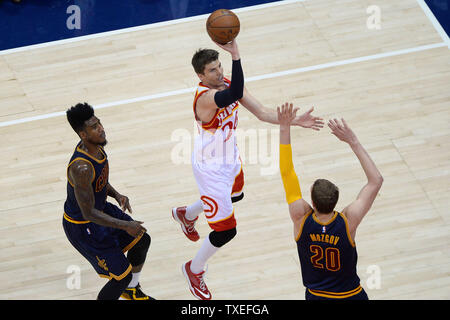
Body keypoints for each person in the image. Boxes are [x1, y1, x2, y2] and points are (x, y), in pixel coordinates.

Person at [172, 40, 324, 300]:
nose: (219, 73)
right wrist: (236, 56)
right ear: (200, 76)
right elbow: (233, 95)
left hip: (229, 156)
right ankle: (194, 269)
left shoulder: (228, 83)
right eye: (212, 70)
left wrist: (292, 121)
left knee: (236, 196)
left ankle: (186, 214)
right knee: (226, 230)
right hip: (211, 169)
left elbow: (263, 112)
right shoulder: (206, 98)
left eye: (220, 66)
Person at [277, 103, 383, 300]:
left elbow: (287, 172)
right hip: (351, 295)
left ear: (312, 202)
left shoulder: (301, 216)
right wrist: (353, 142)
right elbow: (376, 181)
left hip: (318, 296)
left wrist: (285, 127)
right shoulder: (348, 221)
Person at [63, 103, 153, 300]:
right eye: (94, 127)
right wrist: (125, 225)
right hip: (84, 226)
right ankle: (126, 285)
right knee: (120, 276)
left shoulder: (97, 149)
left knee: (142, 241)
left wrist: (116, 194)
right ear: (83, 134)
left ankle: (131, 289)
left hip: (101, 210)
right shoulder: (81, 168)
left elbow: (99, 180)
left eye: (99, 123)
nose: (101, 128)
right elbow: (88, 213)